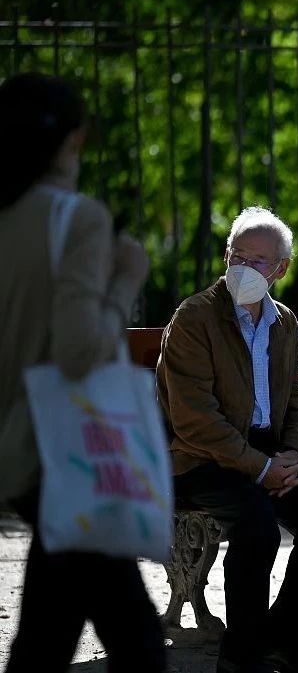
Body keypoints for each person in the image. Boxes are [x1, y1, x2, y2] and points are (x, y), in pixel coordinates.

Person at [0, 74, 165, 672]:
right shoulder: (76, 219)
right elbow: (77, 350)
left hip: (19, 455)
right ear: (74, 140)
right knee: (136, 642)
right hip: (62, 451)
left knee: (49, 632)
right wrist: (126, 279)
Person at [156, 207, 298, 673]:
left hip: (267, 454)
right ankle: (239, 658)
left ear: (281, 269)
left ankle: (281, 646)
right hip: (198, 458)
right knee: (256, 526)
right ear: (226, 257)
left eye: (259, 260)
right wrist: (260, 469)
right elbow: (194, 419)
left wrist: (291, 454)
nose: (245, 267)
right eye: (237, 255)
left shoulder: (284, 321)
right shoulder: (194, 317)